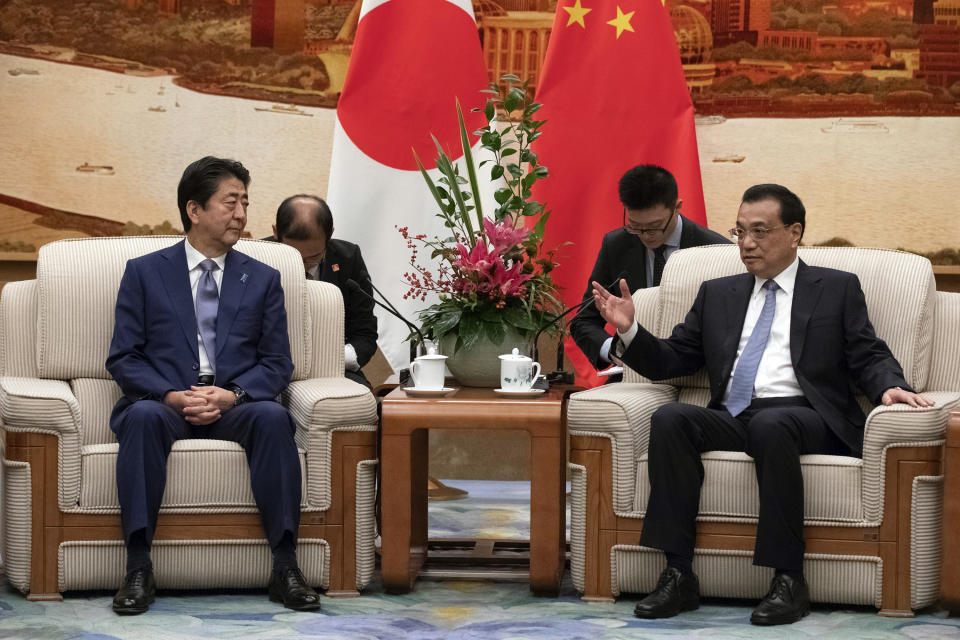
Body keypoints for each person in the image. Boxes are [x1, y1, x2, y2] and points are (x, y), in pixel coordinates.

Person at [591, 184, 932, 625]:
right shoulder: (718, 293)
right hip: (735, 413)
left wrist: (889, 387)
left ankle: (788, 578)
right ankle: (678, 573)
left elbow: (867, 352)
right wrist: (630, 332)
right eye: (739, 232)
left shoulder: (835, 289)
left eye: (759, 231)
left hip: (808, 415)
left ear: (794, 233)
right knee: (671, 417)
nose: (747, 244)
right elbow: (672, 361)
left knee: (773, 424)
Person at [106, 157, 321, 615]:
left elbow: (277, 362)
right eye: (230, 202)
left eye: (245, 202)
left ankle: (285, 566)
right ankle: (139, 567)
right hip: (166, 403)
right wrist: (169, 394)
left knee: (273, 416)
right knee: (141, 417)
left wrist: (233, 394)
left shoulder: (262, 279)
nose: (242, 213)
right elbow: (124, 357)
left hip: (235, 404)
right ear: (194, 210)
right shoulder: (144, 273)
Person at [570, 165, 728, 382]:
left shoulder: (717, 250)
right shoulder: (616, 245)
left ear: (677, 207)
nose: (646, 236)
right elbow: (583, 321)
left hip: (694, 373)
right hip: (631, 373)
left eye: (654, 227)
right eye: (635, 226)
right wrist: (613, 350)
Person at [269, 194, 378, 387]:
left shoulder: (348, 259)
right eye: (293, 255)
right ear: (276, 233)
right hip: (272, 366)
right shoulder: (256, 257)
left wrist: (331, 359)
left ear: (330, 235)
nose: (301, 265)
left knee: (360, 396)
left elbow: (364, 333)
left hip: (336, 366)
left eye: (313, 257)